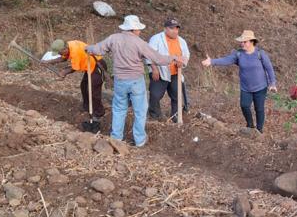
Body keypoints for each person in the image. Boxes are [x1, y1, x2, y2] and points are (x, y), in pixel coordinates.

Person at [86, 15, 182, 147]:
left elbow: (97, 49)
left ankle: (116, 138)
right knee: (140, 110)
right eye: (138, 29)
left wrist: (88, 48)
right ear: (134, 29)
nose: (140, 31)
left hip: (120, 80)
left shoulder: (114, 38)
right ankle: (140, 140)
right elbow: (158, 59)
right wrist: (174, 58)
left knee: (119, 109)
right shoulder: (139, 43)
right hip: (136, 81)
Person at [201, 30, 277, 132]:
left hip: (260, 87)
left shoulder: (260, 54)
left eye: (244, 42)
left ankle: (259, 130)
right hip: (246, 88)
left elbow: (269, 68)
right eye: (241, 42)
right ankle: (250, 125)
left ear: (251, 42)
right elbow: (226, 60)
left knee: (259, 109)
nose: (242, 43)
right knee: (244, 106)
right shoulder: (238, 54)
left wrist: (272, 83)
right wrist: (212, 61)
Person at [43, 39, 108, 120]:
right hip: (89, 66)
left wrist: (64, 73)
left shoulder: (75, 52)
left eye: (60, 52)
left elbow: (74, 68)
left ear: (64, 49)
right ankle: (87, 107)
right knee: (83, 86)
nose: (60, 54)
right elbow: (63, 58)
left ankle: (99, 113)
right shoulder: (68, 46)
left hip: (97, 66)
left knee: (93, 91)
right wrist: (48, 62)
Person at [146, 18, 190, 122]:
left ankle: (175, 117)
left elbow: (186, 55)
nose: (175, 31)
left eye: (176, 29)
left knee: (177, 96)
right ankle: (155, 116)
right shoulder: (156, 39)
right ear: (165, 29)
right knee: (155, 95)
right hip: (160, 72)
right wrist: (154, 69)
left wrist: (182, 62)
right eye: (172, 28)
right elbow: (149, 54)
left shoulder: (181, 41)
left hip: (175, 73)